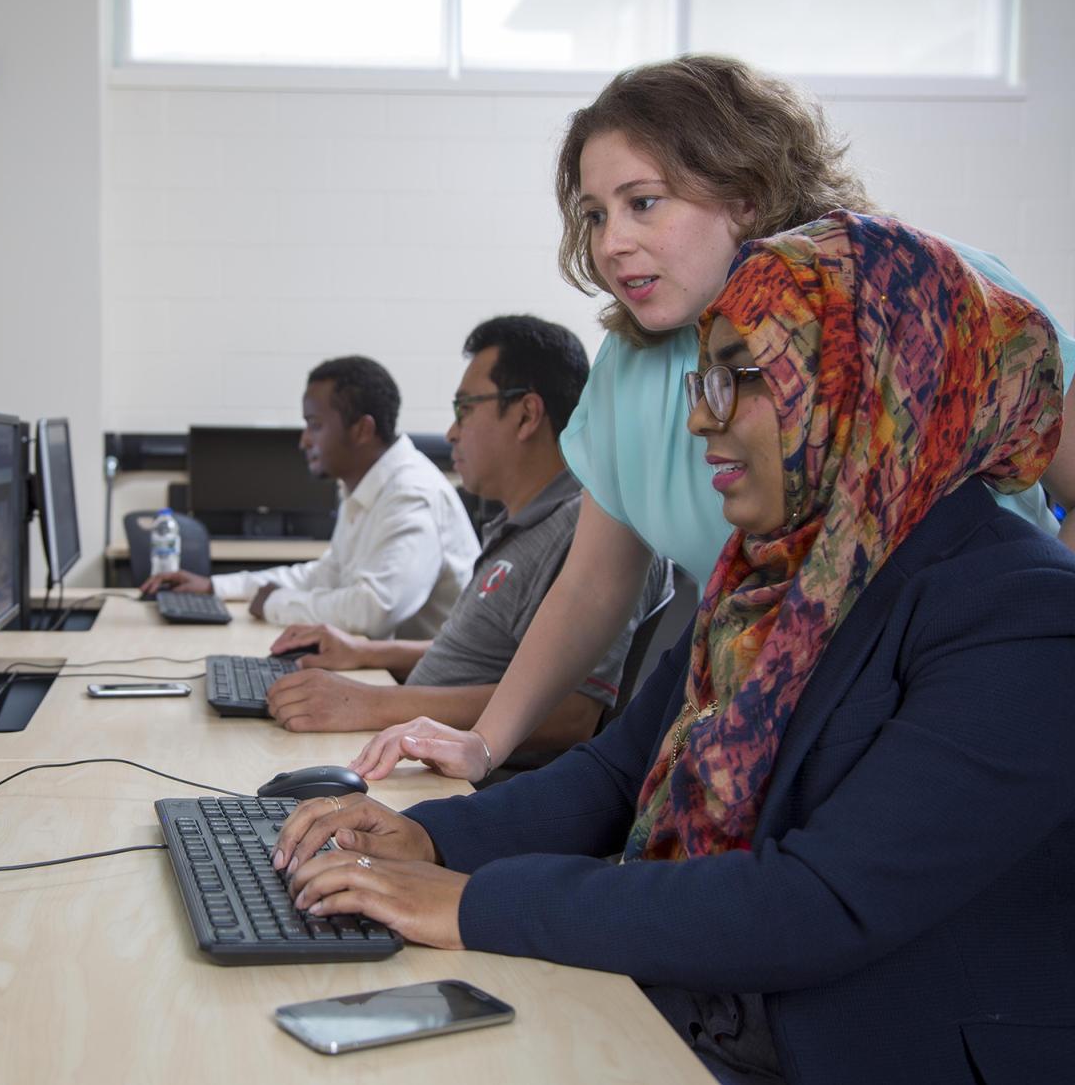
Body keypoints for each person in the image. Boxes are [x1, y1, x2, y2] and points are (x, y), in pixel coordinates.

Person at [274, 213, 1075, 1084]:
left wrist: (472, 901)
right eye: (704, 380)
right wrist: (424, 841)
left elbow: (817, 904)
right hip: (689, 1011)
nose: (701, 418)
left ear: (868, 383)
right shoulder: (767, 579)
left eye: (744, 378)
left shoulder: (1021, 614)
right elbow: (617, 776)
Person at [349, 53, 1075, 782]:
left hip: (960, 710)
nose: (610, 243)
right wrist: (483, 743)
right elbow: (593, 586)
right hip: (792, 732)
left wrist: (1041, 649)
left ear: (747, 195)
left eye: (643, 202)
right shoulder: (630, 369)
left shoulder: (924, 295)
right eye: (595, 214)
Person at [262, 316, 671, 762]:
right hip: (412, 748)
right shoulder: (525, 524)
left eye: (465, 409)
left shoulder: (587, 534)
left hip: (465, 784)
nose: (451, 432)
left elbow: (570, 713)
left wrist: (369, 703)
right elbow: (492, 663)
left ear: (526, 414)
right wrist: (364, 652)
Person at [140, 355, 479, 639]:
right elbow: (327, 575)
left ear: (362, 429)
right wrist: (216, 587)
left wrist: (275, 604)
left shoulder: (410, 494)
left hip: (423, 693)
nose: (304, 441)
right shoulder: (365, 486)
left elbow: (373, 610)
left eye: (314, 425)